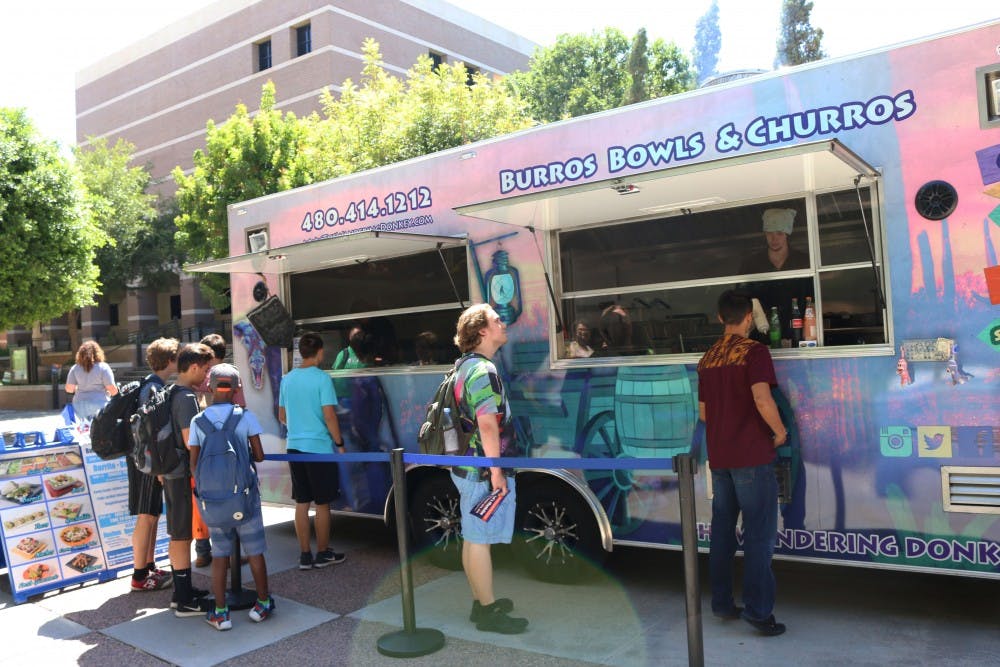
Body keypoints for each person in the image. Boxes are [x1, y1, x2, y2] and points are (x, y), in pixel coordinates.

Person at [696, 290, 787, 637]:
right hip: (751, 455)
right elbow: (762, 399)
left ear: (720, 318)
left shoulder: (707, 358)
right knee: (759, 536)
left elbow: (704, 412)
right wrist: (778, 432)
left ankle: (721, 603)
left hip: (720, 458)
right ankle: (759, 611)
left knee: (722, 534)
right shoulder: (755, 352)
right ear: (749, 317)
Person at [450, 304, 528, 635]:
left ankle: (480, 601)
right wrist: (496, 471)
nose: (503, 323)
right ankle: (488, 610)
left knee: (472, 537)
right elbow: (487, 424)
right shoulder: (483, 370)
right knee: (479, 539)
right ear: (482, 331)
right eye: (497, 321)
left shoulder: (464, 366)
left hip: (466, 464)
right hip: (481, 468)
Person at [188, 364, 274, 630]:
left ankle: (221, 612)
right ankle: (262, 604)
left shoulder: (197, 421)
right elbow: (258, 456)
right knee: (255, 551)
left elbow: (194, 462)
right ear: (237, 390)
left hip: (213, 499)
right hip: (244, 498)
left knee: (220, 554)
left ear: (210, 388)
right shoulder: (244, 417)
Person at [278, 332, 347, 570]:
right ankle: (323, 552)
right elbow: (329, 416)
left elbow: (282, 416)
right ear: (319, 352)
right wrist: (339, 443)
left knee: (302, 501)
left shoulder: (287, 379)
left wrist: (299, 427)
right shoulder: (322, 379)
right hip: (318, 448)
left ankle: (305, 555)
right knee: (323, 504)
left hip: (293, 446)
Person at [162, 342, 215, 617]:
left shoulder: (172, 391)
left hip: (171, 471)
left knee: (179, 533)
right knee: (182, 535)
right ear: (193, 367)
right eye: (205, 370)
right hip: (182, 473)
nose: (207, 375)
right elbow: (189, 440)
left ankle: (182, 592)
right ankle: (184, 600)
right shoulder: (186, 398)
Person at [190, 333, 244, 569]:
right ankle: (231, 552)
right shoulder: (231, 375)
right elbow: (241, 408)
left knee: (202, 499)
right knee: (231, 496)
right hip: (228, 448)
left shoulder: (196, 378)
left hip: (201, 445)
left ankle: (203, 551)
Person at [128, 337, 178, 593]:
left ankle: (148, 566)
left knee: (151, 515)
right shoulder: (153, 389)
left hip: (144, 460)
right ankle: (139, 576)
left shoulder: (152, 385)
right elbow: (151, 432)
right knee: (146, 516)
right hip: (148, 462)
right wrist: (158, 469)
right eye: (176, 357)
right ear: (169, 360)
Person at [739, 208, 812, 346]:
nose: (774, 239)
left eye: (779, 233)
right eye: (770, 234)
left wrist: (809, 332)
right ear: (765, 234)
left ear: (787, 234)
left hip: (797, 336)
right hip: (761, 340)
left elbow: (812, 299)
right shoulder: (751, 264)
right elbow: (740, 300)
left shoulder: (804, 261)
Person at [65, 341, 118, 420]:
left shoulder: (75, 368)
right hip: (100, 406)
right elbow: (113, 390)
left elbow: (69, 389)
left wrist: (77, 389)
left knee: (81, 430)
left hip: (79, 406)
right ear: (98, 353)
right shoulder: (103, 367)